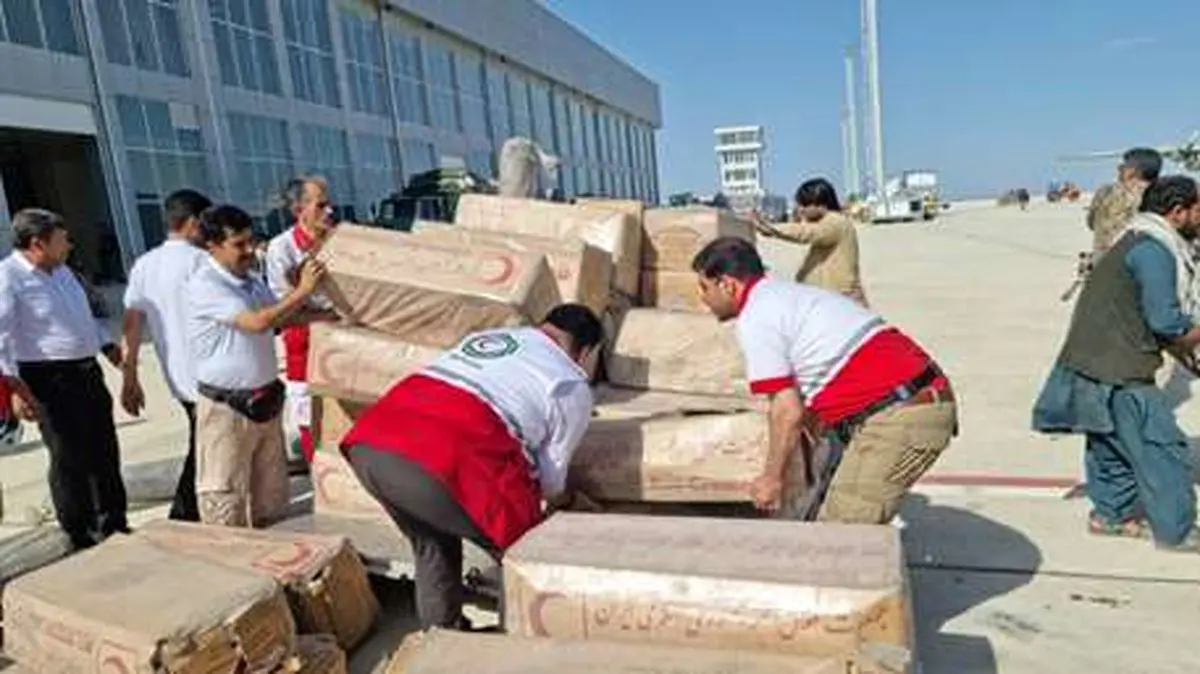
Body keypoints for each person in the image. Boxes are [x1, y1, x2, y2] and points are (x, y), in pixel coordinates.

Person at [341, 305, 603, 630]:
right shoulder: (569, 382)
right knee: (521, 555)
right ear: (587, 351)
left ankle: (441, 644)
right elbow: (551, 482)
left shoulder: (492, 337)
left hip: (372, 445)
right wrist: (570, 503)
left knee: (432, 545)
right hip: (446, 457)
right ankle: (515, 647)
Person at [691, 237, 957, 523]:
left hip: (900, 415)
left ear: (728, 284)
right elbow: (817, 379)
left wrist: (771, 478)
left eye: (704, 288)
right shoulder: (787, 295)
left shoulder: (757, 316)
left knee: (842, 532)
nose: (702, 298)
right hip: (914, 398)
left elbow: (787, 411)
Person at [1033, 176, 1200, 551]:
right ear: (1177, 212)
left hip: (1091, 360)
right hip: (1118, 367)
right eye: (1197, 209)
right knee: (1162, 448)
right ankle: (1177, 531)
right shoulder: (1155, 251)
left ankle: (1112, 515)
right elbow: (1166, 322)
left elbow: (1148, 318)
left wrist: (1184, 356)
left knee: (1109, 444)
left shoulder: (1136, 240)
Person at [188, 204, 327, 527]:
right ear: (213, 246)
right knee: (225, 503)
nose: (250, 250)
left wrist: (328, 316)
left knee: (272, 498)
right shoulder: (207, 284)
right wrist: (303, 290)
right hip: (227, 410)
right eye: (239, 244)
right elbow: (257, 322)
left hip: (264, 403)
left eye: (251, 241)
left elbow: (282, 314)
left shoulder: (251, 280)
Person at [0, 208, 127, 549]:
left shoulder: (63, 273)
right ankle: (79, 529)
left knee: (103, 447)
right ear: (37, 244)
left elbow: (82, 318)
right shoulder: (9, 277)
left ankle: (113, 520)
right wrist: (14, 390)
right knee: (68, 454)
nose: (69, 244)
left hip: (86, 372)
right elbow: (2, 340)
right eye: (62, 240)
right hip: (46, 379)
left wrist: (107, 345)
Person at [120, 189, 213, 521]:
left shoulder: (145, 265)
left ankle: (191, 511)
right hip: (213, 373)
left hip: (177, 375)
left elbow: (131, 323)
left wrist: (129, 376)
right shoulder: (204, 262)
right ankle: (186, 513)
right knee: (209, 447)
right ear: (193, 223)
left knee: (201, 440)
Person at [265, 177, 341, 465]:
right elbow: (284, 308)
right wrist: (323, 314)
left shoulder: (341, 240)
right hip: (305, 345)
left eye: (329, 203)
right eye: (321, 205)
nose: (330, 211)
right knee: (310, 418)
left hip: (345, 340)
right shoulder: (281, 249)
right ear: (299, 209)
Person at [753, 178, 868, 306]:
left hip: (841, 301)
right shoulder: (830, 222)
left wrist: (772, 229)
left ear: (820, 204)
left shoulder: (835, 222)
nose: (801, 209)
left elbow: (806, 232)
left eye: (805, 205)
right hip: (833, 300)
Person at [1088, 148, 1162, 257]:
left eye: (1123, 166)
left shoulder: (1105, 193)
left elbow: (1091, 223)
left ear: (1132, 171)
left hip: (1105, 266)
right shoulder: (1163, 196)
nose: (1119, 169)